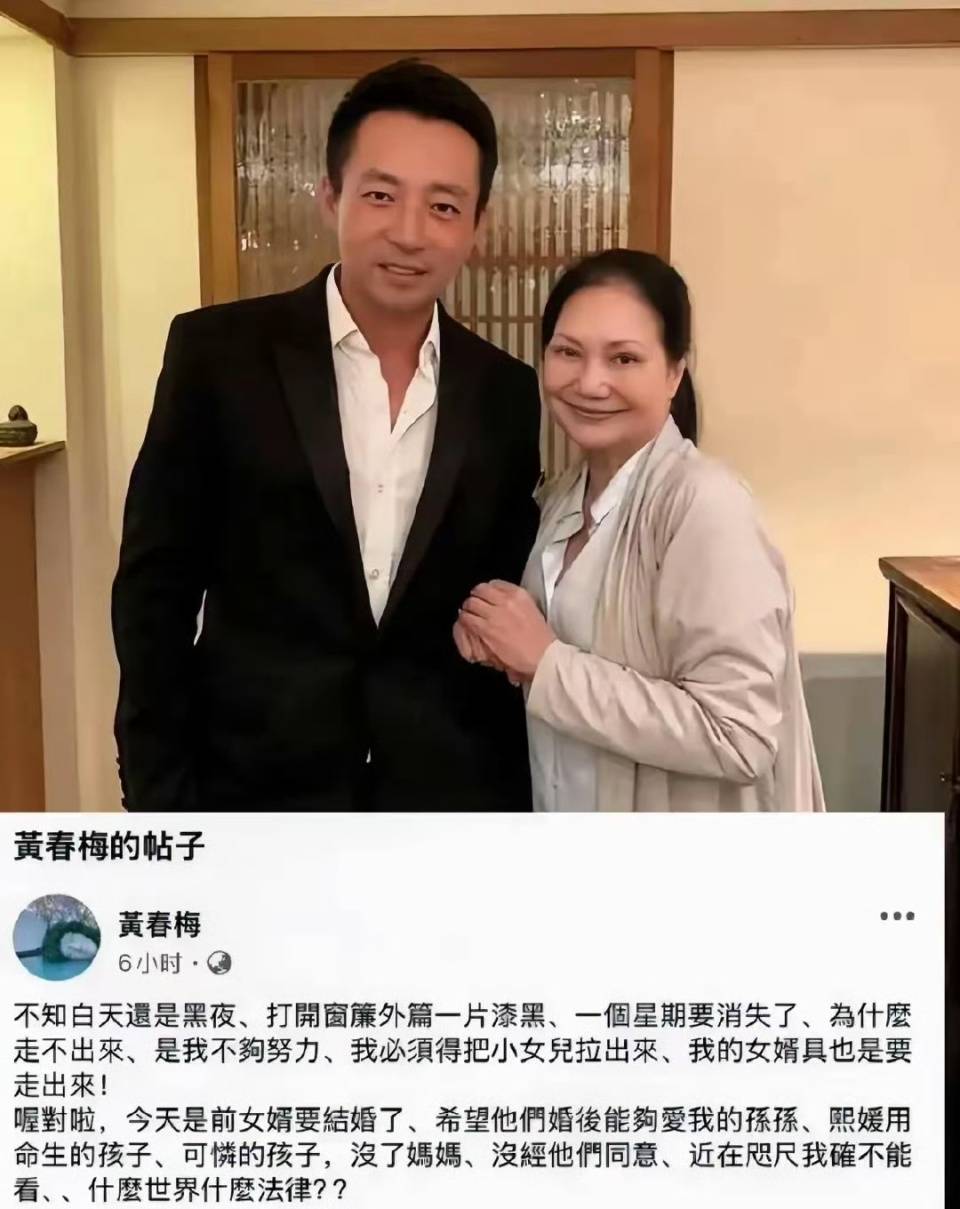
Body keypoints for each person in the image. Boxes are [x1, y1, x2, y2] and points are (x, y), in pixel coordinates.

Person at [112, 60, 542, 811]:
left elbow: (496, 594)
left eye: (444, 206)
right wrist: (159, 794)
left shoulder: (505, 390)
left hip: (440, 796)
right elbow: (156, 588)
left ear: (478, 225)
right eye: (380, 195)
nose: (408, 232)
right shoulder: (218, 354)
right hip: (248, 791)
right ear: (330, 196)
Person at [456, 249, 825, 812]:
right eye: (568, 352)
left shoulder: (705, 505)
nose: (590, 382)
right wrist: (498, 637)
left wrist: (546, 664)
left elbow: (739, 735)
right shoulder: (562, 498)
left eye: (624, 358)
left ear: (674, 372)